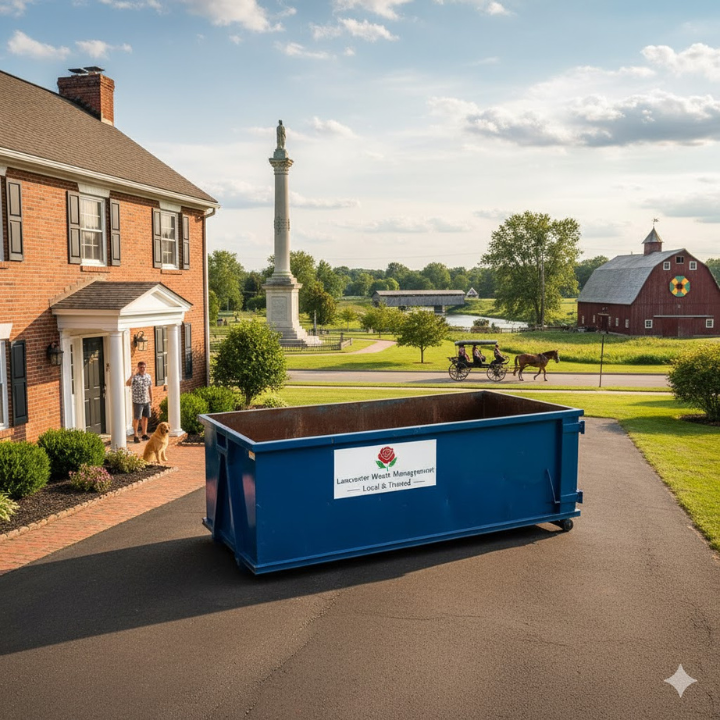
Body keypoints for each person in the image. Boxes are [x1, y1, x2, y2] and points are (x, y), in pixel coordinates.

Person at [126, 361, 153, 443]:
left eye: (144, 367)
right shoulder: (135, 377)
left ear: (146, 367)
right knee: (137, 418)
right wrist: (132, 376)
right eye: (141, 367)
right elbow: (127, 384)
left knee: (145, 418)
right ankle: (135, 436)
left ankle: (144, 434)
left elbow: (150, 389)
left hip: (146, 400)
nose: (142, 369)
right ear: (138, 368)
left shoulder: (148, 376)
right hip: (137, 401)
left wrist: (152, 400)